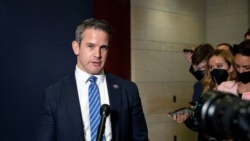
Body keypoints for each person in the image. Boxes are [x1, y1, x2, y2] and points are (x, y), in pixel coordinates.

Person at [35, 18, 149, 141]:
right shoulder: (53, 95)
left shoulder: (128, 91)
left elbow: (140, 138)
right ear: (76, 47)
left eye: (103, 48)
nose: (98, 55)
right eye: (91, 46)